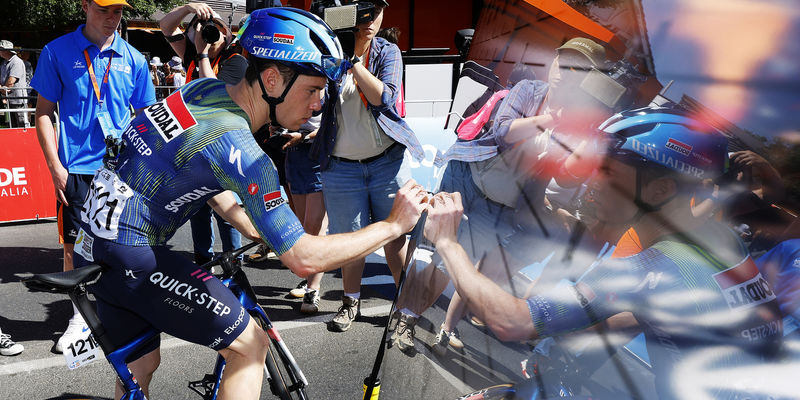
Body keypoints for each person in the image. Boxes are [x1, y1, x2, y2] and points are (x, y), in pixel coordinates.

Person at [71, 8, 428, 399]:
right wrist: (392, 226)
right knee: (250, 346)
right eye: (312, 89)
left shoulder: (200, 92)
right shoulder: (244, 151)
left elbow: (198, 175)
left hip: (92, 247)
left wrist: (249, 222)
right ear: (272, 79)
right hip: (132, 256)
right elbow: (304, 259)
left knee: (141, 368)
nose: (319, 104)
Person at [424, 106, 784, 399]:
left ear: (660, 190)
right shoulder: (721, 240)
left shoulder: (652, 267)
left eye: (608, 172)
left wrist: (447, 242)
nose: (591, 183)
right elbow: (679, 312)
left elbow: (512, 322)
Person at [392, 37, 613, 354]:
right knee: (429, 252)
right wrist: (552, 120)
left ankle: (407, 322)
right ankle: (403, 311)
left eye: (577, 68)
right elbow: (503, 131)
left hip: (498, 207)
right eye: (562, 61)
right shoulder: (529, 91)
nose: (564, 71)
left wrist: (588, 134)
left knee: (448, 264)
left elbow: (566, 177)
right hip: (466, 177)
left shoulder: (581, 123)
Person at [31, 0, 156, 354]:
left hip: (121, 172)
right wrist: (56, 166)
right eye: (103, 9)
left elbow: (146, 118)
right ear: (85, 6)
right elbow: (43, 113)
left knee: (124, 246)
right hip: (77, 171)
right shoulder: (57, 52)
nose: (111, 18)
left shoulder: (133, 57)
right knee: (75, 249)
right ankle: (79, 318)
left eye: (117, 11)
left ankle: (120, 313)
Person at [309, 0, 426, 333]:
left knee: (397, 236)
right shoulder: (328, 50)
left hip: (387, 163)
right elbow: (316, 102)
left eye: (377, 12)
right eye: (364, 12)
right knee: (349, 240)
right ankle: (350, 303)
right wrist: (336, 54)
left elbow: (384, 98)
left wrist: (354, 62)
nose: (371, 19)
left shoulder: (387, 52)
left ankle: (406, 307)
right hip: (341, 167)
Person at [160, 2, 249, 265]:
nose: (210, 36)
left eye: (216, 31)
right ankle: (203, 261)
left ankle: (233, 262)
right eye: (203, 31)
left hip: (223, 144)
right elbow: (165, 26)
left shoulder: (235, 61)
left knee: (227, 208)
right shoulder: (192, 52)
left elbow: (211, 91)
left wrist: (202, 54)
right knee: (198, 207)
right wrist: (187, 8)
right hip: (194, 143)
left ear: (227, 34)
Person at [281, 114, 328, 313]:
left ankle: (312, 289)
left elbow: (331, 127)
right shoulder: (293, 85)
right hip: (293, 156)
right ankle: (309, 280)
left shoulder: (329, 86)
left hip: (317, 155)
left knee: (314, 228)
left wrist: (304, 137)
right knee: (302, 230)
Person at [0, 40, 28, 128]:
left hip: (18, 100)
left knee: (22, 124)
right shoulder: (4, 63)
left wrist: (2, 90)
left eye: (0, 49)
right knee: (11, 126)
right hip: (9, 99)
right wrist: (3, 91)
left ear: (6, 50)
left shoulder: (16, 62)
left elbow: (11, 82)